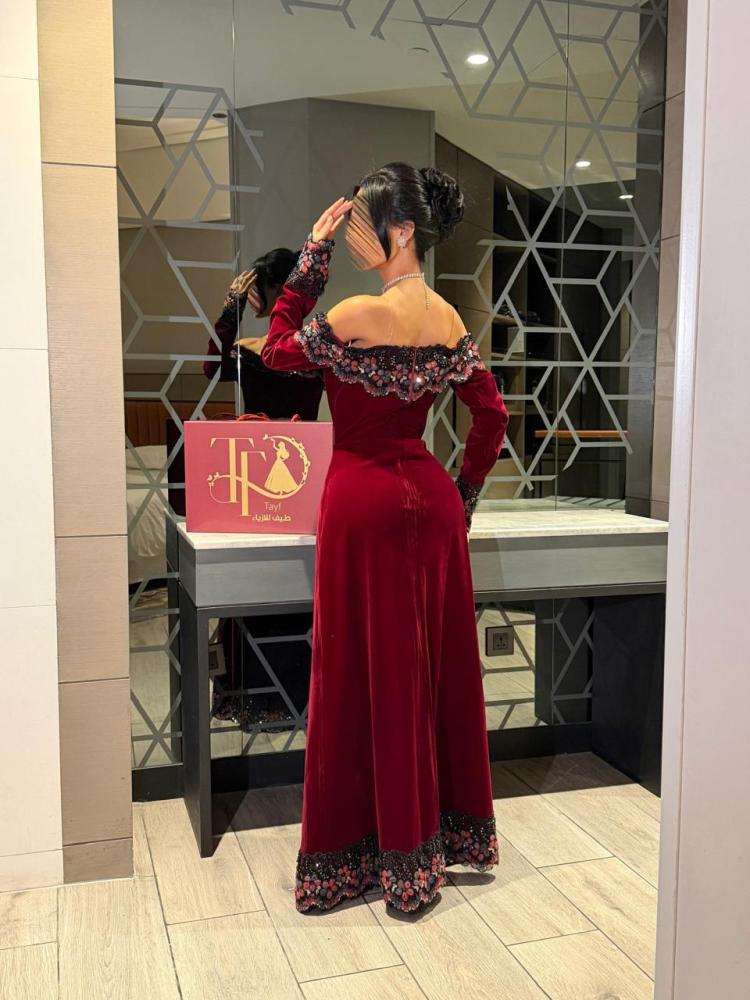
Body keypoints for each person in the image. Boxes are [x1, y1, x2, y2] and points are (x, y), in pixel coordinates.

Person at [260, 162, 509, 914]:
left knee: (357, 673)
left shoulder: (356, 314)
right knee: (428, 671)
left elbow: (275, 348)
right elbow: (492, 418)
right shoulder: (450, 321)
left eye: (362, 223)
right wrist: (462, 496)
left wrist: (312, 256)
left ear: (400, 231)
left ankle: (358, 856)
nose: (353, 235)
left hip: (361, 502)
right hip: (430, 503)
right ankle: (428, 844)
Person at [203, 249, 323, 732]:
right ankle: (294, 698)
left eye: (257, 291)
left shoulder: (253, 351)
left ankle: (264, 697)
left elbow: (210, 366)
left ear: (272, 290)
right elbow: (214, 369)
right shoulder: (315, 348)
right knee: (293, 583)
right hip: (305, 476)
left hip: (255, 478)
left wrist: (230, 310)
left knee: (264, 582)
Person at [203, 247, 323, 420]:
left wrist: (231, 310)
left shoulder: (316, 349)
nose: (252, 294)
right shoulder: (249, 351)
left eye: (258, 286)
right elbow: (213, 369)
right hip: (257, 438)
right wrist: (232, 311)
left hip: (303, 438)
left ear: (279, 291)